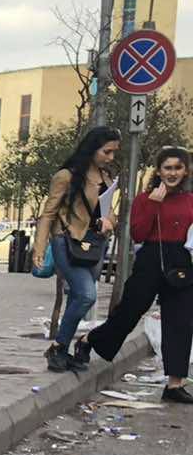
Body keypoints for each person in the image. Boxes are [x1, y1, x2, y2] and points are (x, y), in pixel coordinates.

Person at [75, 146, 193, 400]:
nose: (172, 173)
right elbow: (138, 233)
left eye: (177, 168)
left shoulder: (190, 200)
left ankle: (174, 384)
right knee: (128, 314)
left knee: (181, 322)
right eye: (167, 168)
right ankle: (89, 340)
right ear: (159, 171)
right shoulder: (145, 198)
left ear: (185, 171)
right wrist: (154, 204)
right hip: (150, 260)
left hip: (181, 263)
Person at [32, 126, 121, 373]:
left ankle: (64, 351)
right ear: (92, 148)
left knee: (77, 298)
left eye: (114, 152)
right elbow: (48, 213)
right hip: (67, 241)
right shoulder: (66, 176)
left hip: (94, 245)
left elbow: (111, 211)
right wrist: (39, 248)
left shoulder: (106, 178)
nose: (110, 157)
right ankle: (58, 347)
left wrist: (109, 221)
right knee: (86, 295)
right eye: (107, 151)